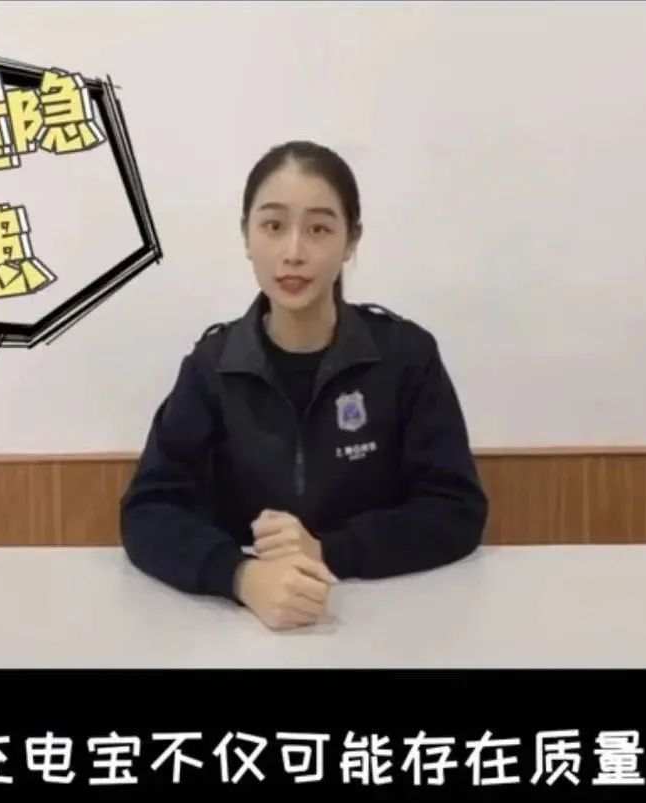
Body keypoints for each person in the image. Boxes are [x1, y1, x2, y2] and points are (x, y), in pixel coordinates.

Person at [120, 140, 488, 630]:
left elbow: (456, 510)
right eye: (273, 226)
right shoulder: (211, 368)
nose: (293, 253)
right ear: (247, 236)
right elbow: (148, 511)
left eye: (318, 229)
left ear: (351, 240)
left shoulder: (406, 357)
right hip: (239, 632)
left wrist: (329, 549)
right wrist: (240, 576)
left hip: (392, 622)